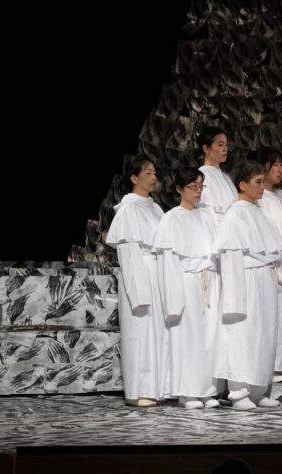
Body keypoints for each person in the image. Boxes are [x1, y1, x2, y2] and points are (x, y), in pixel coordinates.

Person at [213, 159, 282, 410]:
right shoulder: (236, 213)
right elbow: (231, 256)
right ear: (243, 185)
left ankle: (258, 389)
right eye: (258, 182)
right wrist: (235, 297)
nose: (262, 186)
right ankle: (239, 391)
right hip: (247, 282)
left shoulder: (258, 211)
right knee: (243, 333)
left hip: (263, 280)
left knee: (263, 334)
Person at [154, 167, 220, 409]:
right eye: (193, 186)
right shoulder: (172, 218)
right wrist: (173, 295)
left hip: (209, 281)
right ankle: (187, 392)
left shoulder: (207, 216)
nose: (198, 191)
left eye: (201, 186)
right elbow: (169, 261)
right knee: (187, 336)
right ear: (179, 189)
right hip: (187, 282)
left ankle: (206, 390)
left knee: (209, 336)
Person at [106, 155, 168, 407]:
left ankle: (157, 388)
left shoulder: (155, 208)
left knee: (157, 332)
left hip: (157, 272)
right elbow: (130, 255)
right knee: (140, 332)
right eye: (147, 173)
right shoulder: (129, 209)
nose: (154, 177)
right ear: (134, 178)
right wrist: (139, 291)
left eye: (154, 173)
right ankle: (138, 391)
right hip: (141, 273)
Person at [254, 147, 282, 384]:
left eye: (281, 165)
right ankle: (273, 366)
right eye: (274, 165)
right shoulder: (261, 199)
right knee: (275, 315)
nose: (279, 169)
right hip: (275, 263)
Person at [196, 126, 238, 223]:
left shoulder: (225, 175)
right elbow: (205, 208)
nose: (225, 149)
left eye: (226, 145)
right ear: (206, 148)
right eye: (220, 145)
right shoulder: (201, 176)